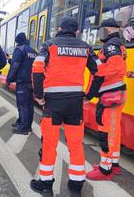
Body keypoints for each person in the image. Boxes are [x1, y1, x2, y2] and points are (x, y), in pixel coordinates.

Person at [30, 18, 99, 196]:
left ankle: (45, 186)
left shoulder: (49, 45)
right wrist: (89, 95)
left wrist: (39, 96)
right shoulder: (85, 47)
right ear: (76, 31)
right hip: (75, 103)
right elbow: (99, 72)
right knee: (76, 144)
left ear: (59, 29)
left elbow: (37, 69)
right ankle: (76, 187)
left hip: (53, 104)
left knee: (49, 144)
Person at [85, 18, 127, 181]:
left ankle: (105, 168)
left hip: (111, 95)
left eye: (102, 29)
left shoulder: (110, 46)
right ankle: (114, 163)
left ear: (108, 29)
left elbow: (115, 67)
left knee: (106, 132)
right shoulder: (118, 44)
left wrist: (98, 70)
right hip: (117, 94)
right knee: (114, 131)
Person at [6, 32, 37, 135]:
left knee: (22, 104)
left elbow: (15, 66)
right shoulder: (33, 51)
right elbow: (26, 63)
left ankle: (23, 128)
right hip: (31, 81)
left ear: (17, 41)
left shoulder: (20, 49)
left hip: (22, 81)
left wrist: (9, 79)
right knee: (29, 105)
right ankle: (26, 125)